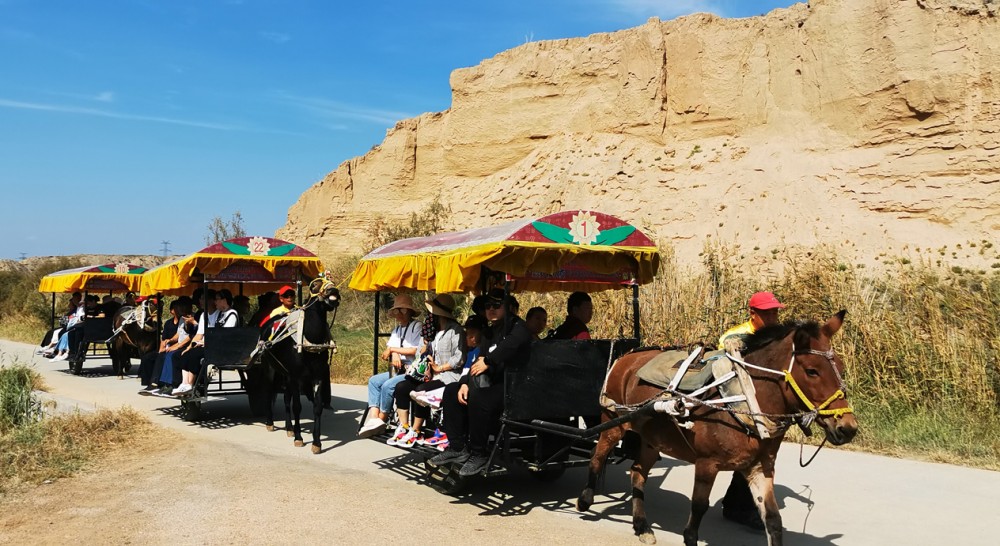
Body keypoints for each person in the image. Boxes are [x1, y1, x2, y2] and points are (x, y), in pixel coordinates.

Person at [432, 288, 533, 476]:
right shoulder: (489, 332)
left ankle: (479, 453)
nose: (491, 309)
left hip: (515, 388)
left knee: (480, 398)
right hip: (492, 385)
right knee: (452, 390)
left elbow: (510, 345)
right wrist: (464, 382)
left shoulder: (519, 327)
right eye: (488, 306)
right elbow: (477, 360)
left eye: (497, 305)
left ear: (508, 307)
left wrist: (489, 361)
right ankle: (457, 447)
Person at [718, 291, 785, 530]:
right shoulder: (735, 336)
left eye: (775, 312)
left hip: (764, 406)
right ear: (753, 314)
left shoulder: (777, 338)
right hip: (738, 405)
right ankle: (739, 507)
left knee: (755, 458)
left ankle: (735, 504)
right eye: (767, 313)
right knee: (751, 458)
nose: (773, 317)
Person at [386, 294, 465, 448]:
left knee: (419, 392)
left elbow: (459, 357)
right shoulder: (432, 329)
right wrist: (424, 351)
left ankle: (417, 430)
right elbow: (419, 353)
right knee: (402, 387)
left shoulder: (455, 330)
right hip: (428, 373)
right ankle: (405, 427)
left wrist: (440, 367)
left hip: (447, 375)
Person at [358, 294, 423, 438]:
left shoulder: (416, 327)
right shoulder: (397, 330)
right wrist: (393, 353)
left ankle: (382, 418)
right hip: (399, 369)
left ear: (409, 312)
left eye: (402, 311)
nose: (398, 314)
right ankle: (374, 419)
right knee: (374, 381)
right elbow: (386, 353)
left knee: (388, 385)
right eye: (397, 311)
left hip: (412, 370)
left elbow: (414, 350)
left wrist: (394, 350)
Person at [173, 289, 238, 395]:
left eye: (217, 299)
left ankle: (190, 384)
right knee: (187, 353)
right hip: (212, 346)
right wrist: (190, 346)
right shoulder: (222, 314)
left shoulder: (231, 314)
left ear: (224, 300)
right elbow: (204, 333)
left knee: (194, 355)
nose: (215, 302)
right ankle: (184, 383)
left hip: (222, 348)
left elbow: (225, 336)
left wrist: (205, 343)